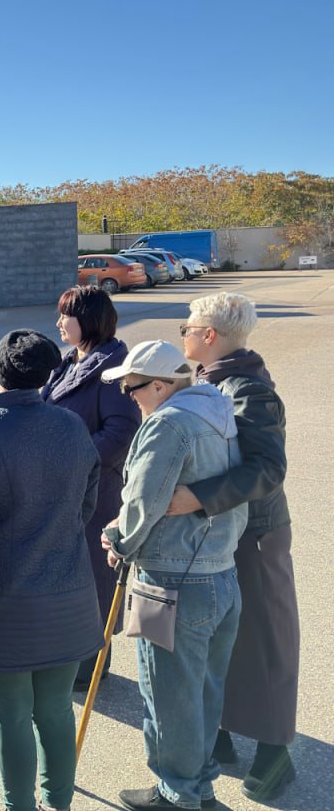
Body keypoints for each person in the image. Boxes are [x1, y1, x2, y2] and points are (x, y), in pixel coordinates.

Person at [0, 330, 102, 811]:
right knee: (55, 709)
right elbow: (86, 507)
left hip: (1, 598)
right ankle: (60, 802)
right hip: (69, 590)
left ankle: (20, 806)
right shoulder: (72, 427)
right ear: (48, 374)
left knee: (10, 711)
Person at [99, 340, 248, 811]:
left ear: (161, 385)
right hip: (221, 572)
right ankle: (198, 786)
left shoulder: (168, 424)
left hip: (170, 579)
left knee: (167, 696)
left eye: (133, 388)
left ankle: (177, 794)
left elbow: (144, 502)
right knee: (203, 693)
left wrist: (118, 540)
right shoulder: (218, 411)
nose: (129, 395)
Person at [166, 292, 298, 801]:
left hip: (255, 532)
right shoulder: (210, 380)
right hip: (224, 529)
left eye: (188, 326)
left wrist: (198, 497)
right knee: (220, 635)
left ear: (209, 336)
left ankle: (273, 750)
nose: (184, 333)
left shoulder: (248, 388)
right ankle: (218, 736)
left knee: (264, 641)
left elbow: (268, 468)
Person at [41, 286, 141, 690]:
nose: (59, 322)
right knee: (64, 576)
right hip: (59, 490)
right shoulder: (67, 361)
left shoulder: (115, 365)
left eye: (66, 315)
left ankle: (89, 665)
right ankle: (69, 657)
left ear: (90, 319)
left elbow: (121, 430)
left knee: (92, 580)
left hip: (93, 490)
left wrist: (73, 463)